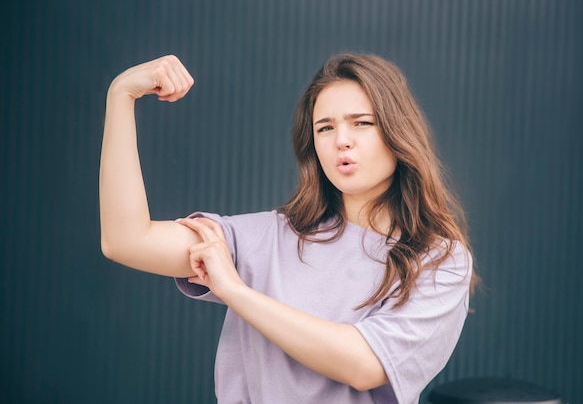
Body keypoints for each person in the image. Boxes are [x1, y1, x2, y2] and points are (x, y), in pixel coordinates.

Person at [100, 53, 478, 404]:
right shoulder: (270, 236)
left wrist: (235, 290)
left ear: (398, 133)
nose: (341, 140)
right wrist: (121, 95)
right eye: (325, 128)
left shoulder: (440, 261)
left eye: (362, 122)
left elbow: (364, 365)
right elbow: (126, 240)